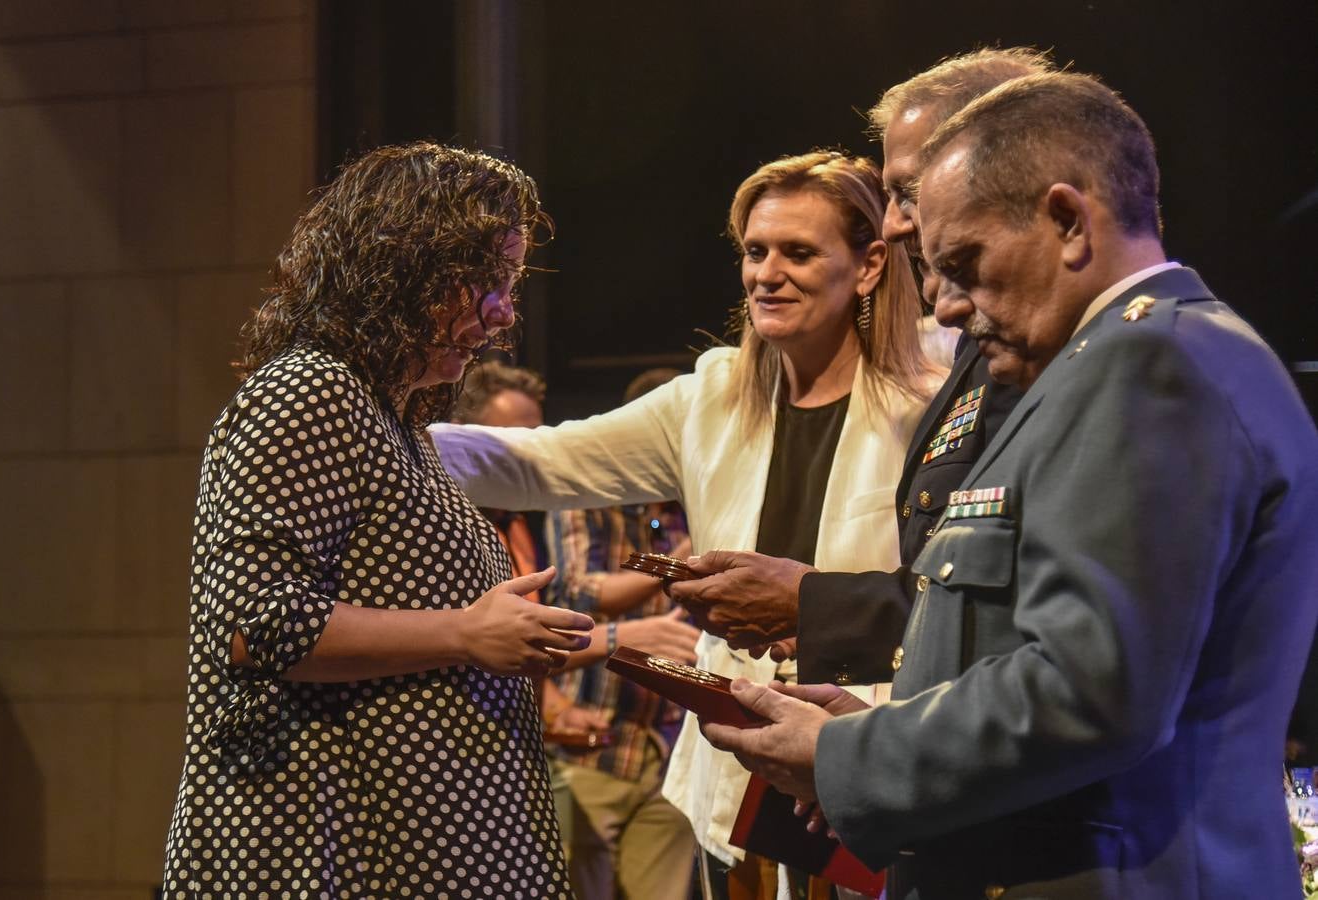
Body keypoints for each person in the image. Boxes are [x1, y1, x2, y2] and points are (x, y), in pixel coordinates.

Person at [701, 72, 1318, 899]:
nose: (942, 304)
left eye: (962, 263)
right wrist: (890, 728)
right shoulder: (1097, 367)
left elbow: (1089, 693)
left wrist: (848, 757)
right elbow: (1014, 641)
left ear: (1067, 220)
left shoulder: (1146, 364)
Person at [430, 150, 942, 897]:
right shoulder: (709, 398)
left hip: (859, 772)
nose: (767, 272)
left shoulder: (927, 406)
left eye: (798, 252)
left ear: (868, 266)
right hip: (732, 779)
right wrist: (367, 434)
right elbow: (536, 464)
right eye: (754, 251)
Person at [162, 141, 595, 898]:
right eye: (482, 284)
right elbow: (258, 624)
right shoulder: (308, 393)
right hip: (332, 854)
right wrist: (465, 634)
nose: (501, 313)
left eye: (508, 285)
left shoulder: (400, 426)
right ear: (399, 271)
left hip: (417, 847)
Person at [669, 49, 1049, 687]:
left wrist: (810, 605)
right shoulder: (982, 362)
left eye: (907, 191)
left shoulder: (1125, 367)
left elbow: (1045, 643)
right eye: (754, 251)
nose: (897, 220)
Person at [543, 367, 698, 900]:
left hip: (672, 751)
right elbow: (585, 593)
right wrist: (673, 563)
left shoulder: (685, 511)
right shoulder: (588, 501)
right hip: (598, 748)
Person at [453, 361, 551, 600]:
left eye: (535, 436)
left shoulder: (519, 518)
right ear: (457, 436)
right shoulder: (449, 527)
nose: (530, 453)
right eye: (513, 437)